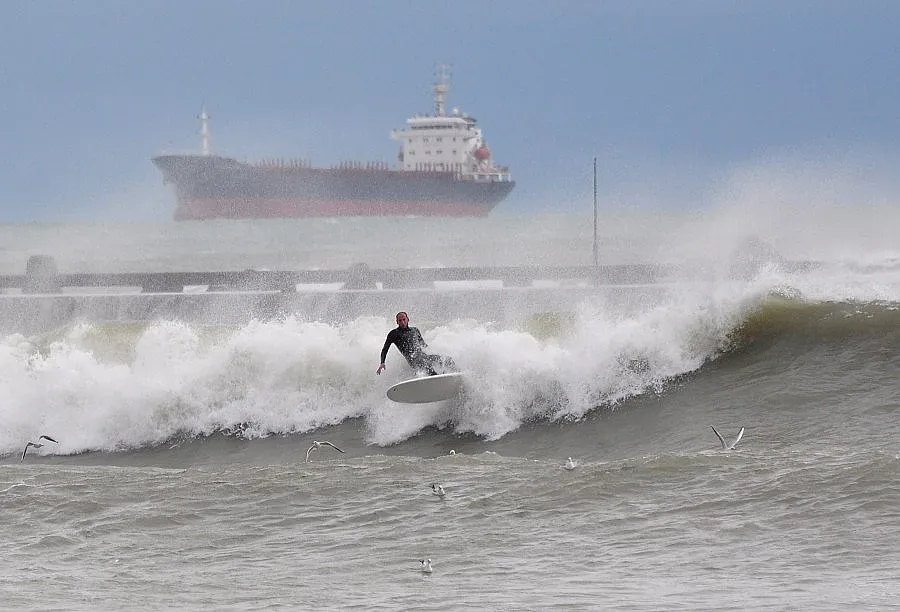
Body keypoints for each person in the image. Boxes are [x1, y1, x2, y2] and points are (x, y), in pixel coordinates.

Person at [376, 311, 456, 376]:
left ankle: (455, 375)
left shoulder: (415, 330)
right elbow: (385, 349)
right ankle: (437, 380)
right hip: (414, 361)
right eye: (400, 320)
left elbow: (424, 345)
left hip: (424, 357)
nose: (402, 322)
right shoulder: (393, 334)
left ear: (408, 319)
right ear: (397, 322)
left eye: (404, 319)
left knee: (447, 360)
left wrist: (434, 351)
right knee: (428, 367)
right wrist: (382, 362)